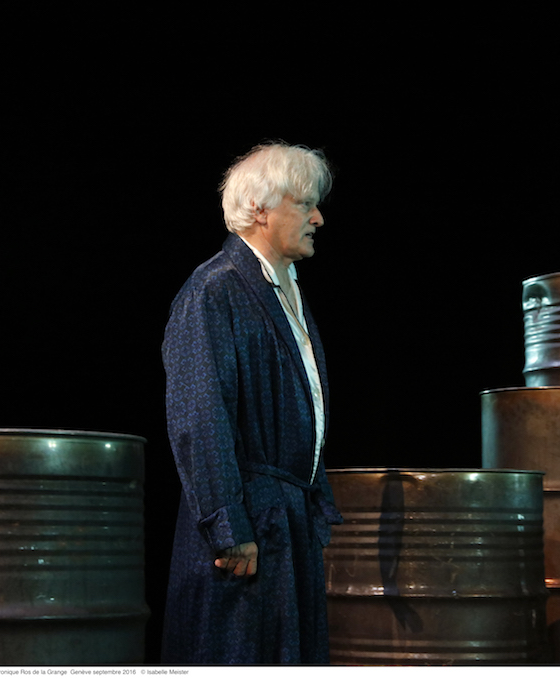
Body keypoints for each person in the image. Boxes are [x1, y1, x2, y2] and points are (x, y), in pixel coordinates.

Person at [160, 142, 343, 664]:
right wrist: (228, 526)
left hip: (285, 521)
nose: (318, 218)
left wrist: (314, 504)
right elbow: (200, 416)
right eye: (304, 204)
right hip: (249, 526)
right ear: (260, 209)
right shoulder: (213, 291)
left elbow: (307, 407)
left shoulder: (286, 292)